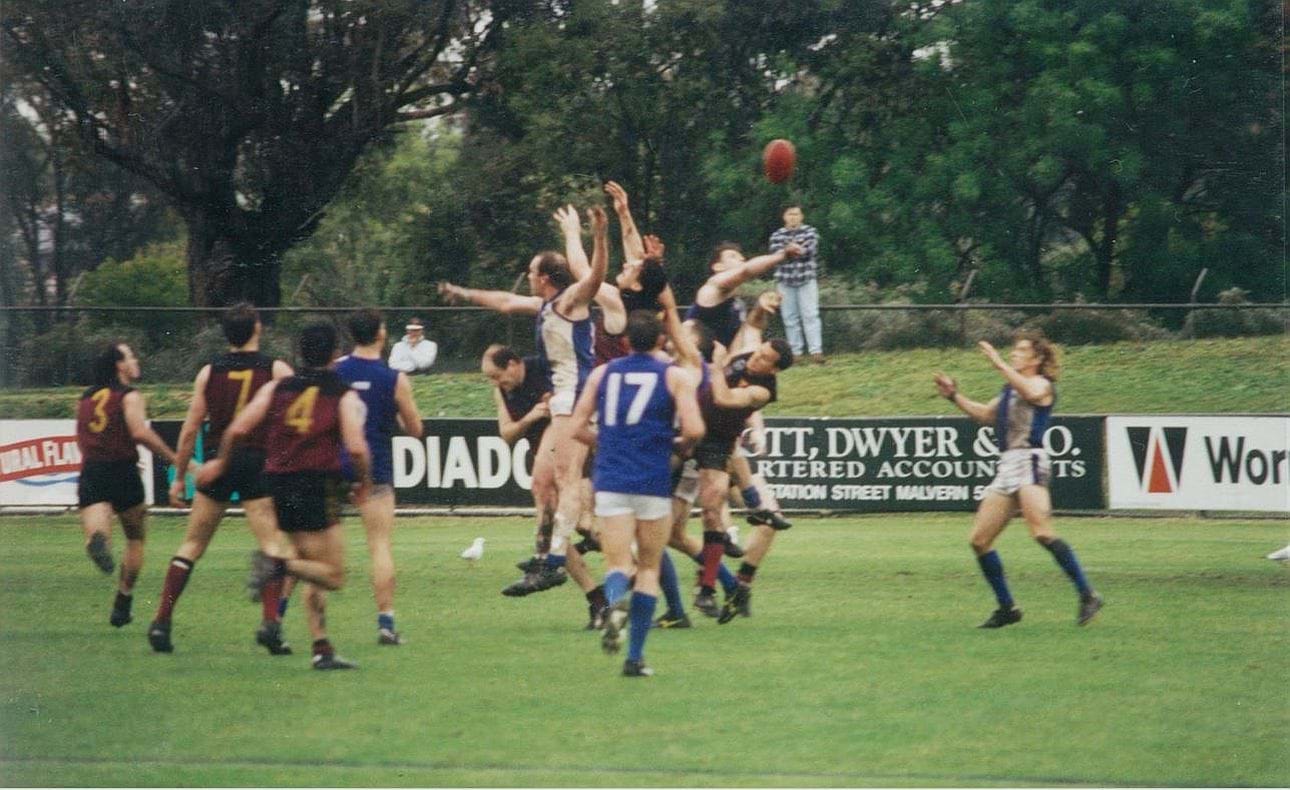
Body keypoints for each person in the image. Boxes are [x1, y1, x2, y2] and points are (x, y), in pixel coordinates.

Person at [439, 206, 609, 595]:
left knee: (566, 480)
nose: (528, 278)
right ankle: (552, 556)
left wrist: (597, 237)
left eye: (532, 272)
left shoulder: (569, 302)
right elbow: (504, 301)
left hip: (577, 396)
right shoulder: (547, 306)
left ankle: (553, 561)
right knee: (544, 481)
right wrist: (463, 293)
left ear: (545, 277)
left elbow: (596, 277)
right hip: (568, 398)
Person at [198, 322, 372, 669]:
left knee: (310, 565)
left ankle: (321, 648)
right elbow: (355, 448)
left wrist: (220, 464)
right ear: (336, 354)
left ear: (299, 353)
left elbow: (237, 429)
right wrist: (363, 482)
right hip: (316, 484)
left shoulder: (276, 388)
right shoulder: (342, 393)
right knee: (333, 574)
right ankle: (277, 566)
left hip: (276, 483)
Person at [148, 303, 294, 654]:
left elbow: (189, 430)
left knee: (192, 545)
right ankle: (271, 624)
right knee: (272, 545)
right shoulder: (275, 368)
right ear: (257, 328)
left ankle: (161, 622)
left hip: (218, 462)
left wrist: (178, 478)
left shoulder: (208, 372)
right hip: (256, 461)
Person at [934, 332, 1103, 628]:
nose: (1014, 353)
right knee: (979, 541)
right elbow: (986, 415)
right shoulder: (1011, 389)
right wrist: (953, 396)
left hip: (1030, 460)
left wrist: (999, 363)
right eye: (1014, 350)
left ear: (1037, 359)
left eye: (1022, 350)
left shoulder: (1042, 384)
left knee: (1041, 532)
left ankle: (1087, 594)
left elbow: (1034, 395)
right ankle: (1007, 608)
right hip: (1008, 463)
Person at [571, 310, 704, 676]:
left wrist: (610, 442)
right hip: (652, 480)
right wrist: (676, 446)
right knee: (649, 567)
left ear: (626, 341)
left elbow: (577, 426)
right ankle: (635, 658)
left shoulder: (602, 373)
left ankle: (615, 604)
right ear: (662, 341)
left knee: (617, 565)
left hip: (611, 478)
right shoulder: (674, 376)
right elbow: (694, 428)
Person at [335, 309, 425, 645]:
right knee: (380, 546)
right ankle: (386, 623)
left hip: (334, 466)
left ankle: (278, 615)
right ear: (381, 334)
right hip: (374, 470)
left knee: (310, 549)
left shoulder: (336, 371)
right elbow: (416, 429)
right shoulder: (394, 378)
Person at [75, 342, 177, 628]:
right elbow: (139, 432)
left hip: (93, 470)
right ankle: (123, 601)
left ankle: (97, 539)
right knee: (135, 538)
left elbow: (82, 436)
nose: (135, 360)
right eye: (131, 356)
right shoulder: (129, 395)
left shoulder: (87, 396)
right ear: (120, 365)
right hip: (123, 472)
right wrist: (174, 458)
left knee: (98, 530)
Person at [685, 239, 801, 349]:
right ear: (718, 267)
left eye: (740, 255)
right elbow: (745, 271)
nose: (742, 258)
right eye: (733, 256)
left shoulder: (736, 300)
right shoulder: (712, 287)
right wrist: (783, 255)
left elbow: (747, 332)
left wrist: (760, 308)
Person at [768, 205, 824, 364]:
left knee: (810, 315)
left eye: (796, 214)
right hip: (785, 281)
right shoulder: (776, 235)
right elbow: (777, 255)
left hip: (806, 279)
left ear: (802, 216)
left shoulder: (810, 232)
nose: (793, 217)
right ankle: (796, 353)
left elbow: (809, 251)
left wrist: (791, 251)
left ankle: (816, 352)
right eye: (790, 214)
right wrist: (793, 250)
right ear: (784, 216)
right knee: (789, 317)